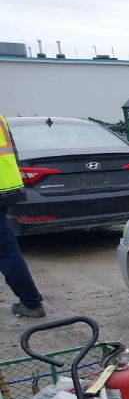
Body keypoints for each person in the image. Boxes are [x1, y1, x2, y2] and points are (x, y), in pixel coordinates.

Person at [0, 114, 45, 318]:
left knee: (5, 249)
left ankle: (31, 303)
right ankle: (31, 301)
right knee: (6, 249)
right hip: (6, 186)